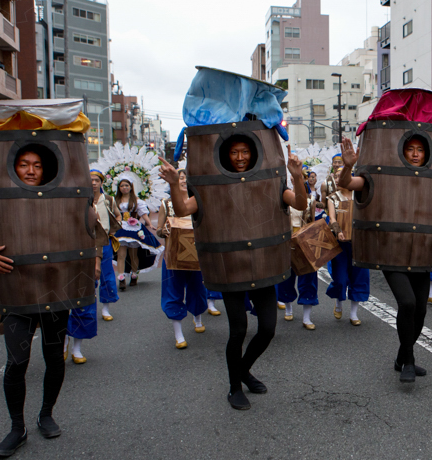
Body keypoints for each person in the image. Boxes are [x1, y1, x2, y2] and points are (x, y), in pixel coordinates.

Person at [0, 147, 102, 457]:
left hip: (54, 295)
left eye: (37, 165)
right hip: (16, 298)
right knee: (16, 362)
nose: (31, 170)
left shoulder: (64, 204)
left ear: (46, 170)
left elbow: (94, 232)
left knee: (53, 358)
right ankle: (16, 427)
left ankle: (46, 413)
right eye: (24, 165)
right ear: (14, 168)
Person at [158, 142, 309, 411]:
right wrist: (172, 183)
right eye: (234, 152)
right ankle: (234, 387)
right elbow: (182, 211)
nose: (240, 157)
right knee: (238, 330)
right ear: (226, 155)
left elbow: (299, 202)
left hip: (263, 265)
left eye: (245, 151)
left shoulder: (269, 181)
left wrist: (297, 175)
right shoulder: (211, 185)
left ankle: (243, 371)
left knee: (267, 330)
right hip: (229, 266)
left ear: (254, 153)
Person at [339, 136, 432, 383]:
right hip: (391, 255)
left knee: (421, 311)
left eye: (420, 150)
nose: (415, 154)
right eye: (410, 150)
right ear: (401, 153)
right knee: (408, 303)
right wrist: (349, 165)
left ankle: (401, 357)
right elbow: (348, 183)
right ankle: (409, 362)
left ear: (427, 155)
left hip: (422, 256)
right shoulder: (384, 177)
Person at [63, 168, 122, 364]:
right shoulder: (66, 204)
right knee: (60, 303)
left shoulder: (99, 204)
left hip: (92, 253)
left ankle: (76, 347)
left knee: (85, 301)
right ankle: (62, 340)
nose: (93, 183)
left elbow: (96, 235)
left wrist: (96, 261)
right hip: (63, 260)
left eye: (96, 180)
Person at [155, 167, 207, 349]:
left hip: (196, 255)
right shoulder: (166, 204)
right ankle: (178, 333)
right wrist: (165, 230)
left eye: (185, 178)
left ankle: (198, 318)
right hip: (173, 256)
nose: (183, 181)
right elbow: (159, 230)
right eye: (180, 178)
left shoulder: (198, 202)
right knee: (173, 291)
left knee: (198, 289)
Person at [324, 160, 369, 325]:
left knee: (359, 277)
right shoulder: (332, 198)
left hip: (358, 244)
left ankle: (354, 314)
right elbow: (332, 218)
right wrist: (338, 231)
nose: (338, 179)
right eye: (336, 176)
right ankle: (338, 302)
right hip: (340, 244)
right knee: (340, 278)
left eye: (342, 176)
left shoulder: (360, 196)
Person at [276, 170, 321, 329]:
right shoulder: (282, 200)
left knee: (308, 278)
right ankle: (288, 308)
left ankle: (307, 317)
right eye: (294, 179)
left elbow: (314, 222)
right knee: (286, 278)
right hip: (287, 242)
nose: (297, 181)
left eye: (301, 179)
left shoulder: (310, 200)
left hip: (305, 241)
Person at [113, 178, 160, 290]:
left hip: (134, 228)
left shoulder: (137, 201)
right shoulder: (115, 201)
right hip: (121, 228)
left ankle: (134, 274)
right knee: (121, 254)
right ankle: (121, 277)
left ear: (130, 187)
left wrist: (149, 224)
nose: (124, 187)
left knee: (133, 254)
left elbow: (143, 214)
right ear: (119, 188)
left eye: (126, 185)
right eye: (122, 186)